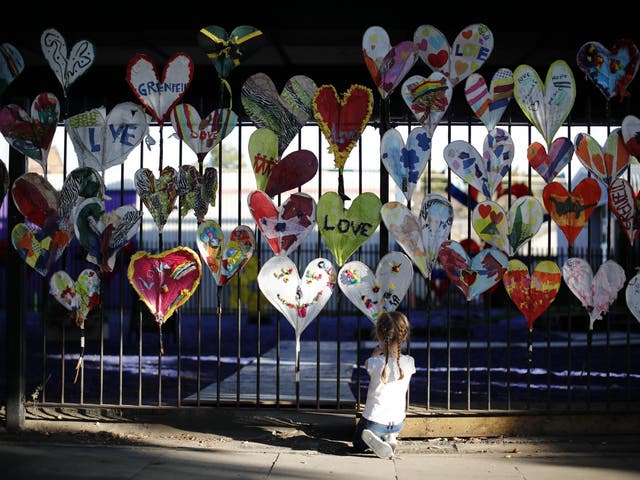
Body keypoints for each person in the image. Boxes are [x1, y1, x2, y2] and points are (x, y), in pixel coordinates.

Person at [353, 310, 416, 459]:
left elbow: (368, 365)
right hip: (398, 422)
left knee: (357, 442)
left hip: (374, 422)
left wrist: (375, 355)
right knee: (389, 426)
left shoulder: (374, 363)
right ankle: (390, 438)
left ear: (379, 335)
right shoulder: (409, 362)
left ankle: (375, 440)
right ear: (404, 335)